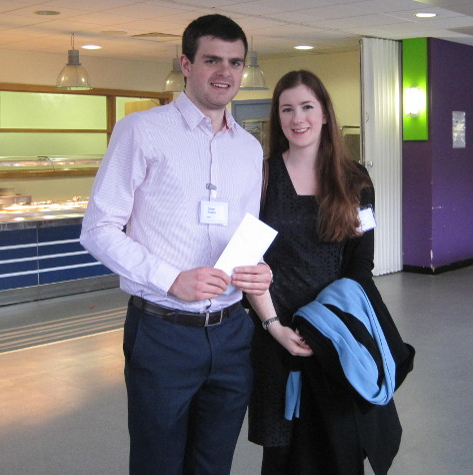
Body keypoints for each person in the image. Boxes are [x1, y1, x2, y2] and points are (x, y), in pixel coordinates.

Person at [80, 14, 272, 475]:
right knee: (158, 463)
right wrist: (172, 280)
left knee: (213, 463)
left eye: (235, 62)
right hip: (162, 333)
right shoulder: (141, 131)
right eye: (212, 60)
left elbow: (245, 234)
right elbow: (99, 228)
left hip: (231, 333)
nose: (225, 72)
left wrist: (257, 270)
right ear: (186, 64)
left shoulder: (248, 148)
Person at [246, 70, 409, 475]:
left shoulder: (355, 181)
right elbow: (247, 260)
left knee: (338, 447)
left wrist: (324, 326)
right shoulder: (262, 178)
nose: (297, 118)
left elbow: (360, 264)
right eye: (287, 109)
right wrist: (274, 326)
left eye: (306, 107)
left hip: (337, 334)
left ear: (323, 114)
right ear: (277, 117)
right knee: (282, 455)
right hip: (277, 336)